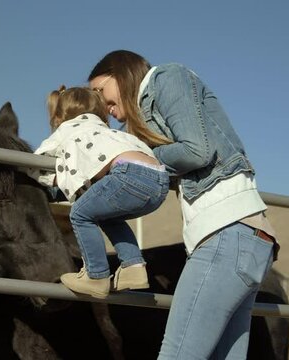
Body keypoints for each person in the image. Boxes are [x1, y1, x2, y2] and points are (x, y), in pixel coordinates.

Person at [88, 50, 279, 359]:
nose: (102, 105)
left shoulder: (165, 78)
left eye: (100, 91)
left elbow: (196, 150)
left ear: (120, 73)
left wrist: (133, 159)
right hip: (244, 237)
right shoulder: (149, 122)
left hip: (225, 233)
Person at [31, 85, 170, 299]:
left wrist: (48, 182)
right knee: (107, 216)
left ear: (59, 115)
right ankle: (133, 267)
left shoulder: (68, 128)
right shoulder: (106, 132)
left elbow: (36, 162)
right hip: (159, 181)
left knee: (80, 213)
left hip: (128, 174)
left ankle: (96, 276)